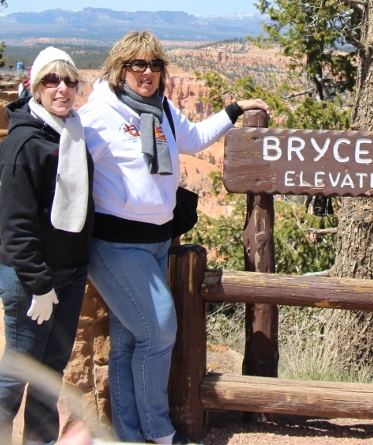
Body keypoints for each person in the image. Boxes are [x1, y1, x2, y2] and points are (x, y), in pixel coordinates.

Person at [79, 30, 267, 445]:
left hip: (158, 242)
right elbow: (64, 167)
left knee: (130, 341)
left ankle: (128, 435)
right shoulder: (98, 115)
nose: (147, 73)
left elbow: (194, 139)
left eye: (155, 65)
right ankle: (160, 432)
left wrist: (233, 109)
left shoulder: (159, 108)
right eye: (137, 65)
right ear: (119, 68)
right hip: (115, 246)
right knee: (161, 330)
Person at [0, 47, 95, 445]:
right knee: (19, 369)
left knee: (50, 371)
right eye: (51, 80)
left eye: (69, 81)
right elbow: (15, 227)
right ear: (36, 87)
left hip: (69, 273)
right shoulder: (24, 145)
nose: (61, 89)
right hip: (33, 278)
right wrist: (39, 284)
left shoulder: (73, 132)